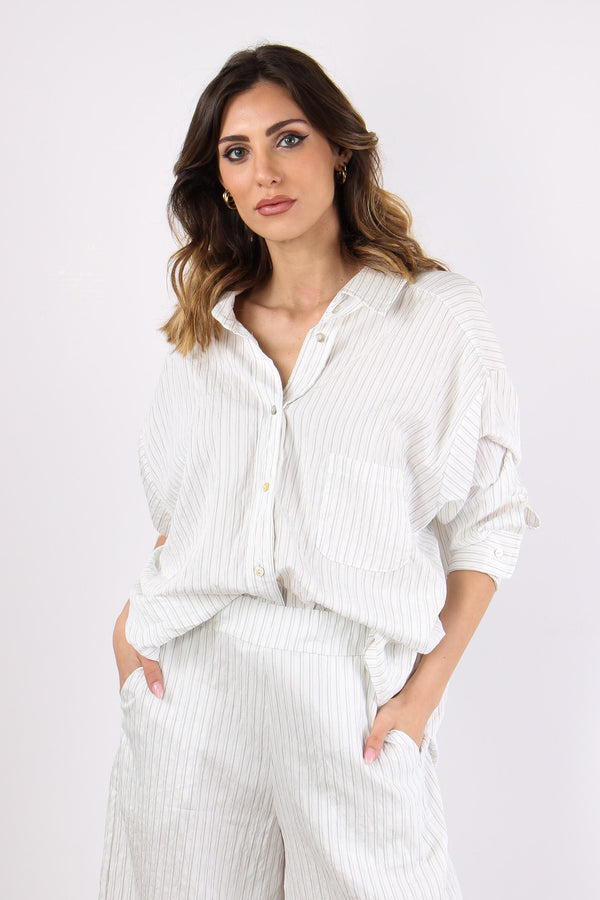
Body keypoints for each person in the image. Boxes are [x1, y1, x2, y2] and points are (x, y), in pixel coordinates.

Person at [99, 43, 539, 900]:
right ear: (219, 182)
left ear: (339, 148)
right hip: (193, 688)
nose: (264, 171)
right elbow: (179, 514)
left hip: (351, 695)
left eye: (289, 138)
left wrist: (419, 702)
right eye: (237, 152)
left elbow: (487, 524)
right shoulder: (204, 331)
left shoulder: (436, 318)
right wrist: (129, 636)